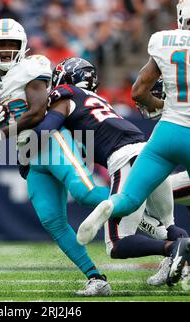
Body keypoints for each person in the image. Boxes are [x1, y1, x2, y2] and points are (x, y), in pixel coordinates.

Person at [0, 18, 111, 296]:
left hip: (51, 141)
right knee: (52, 220)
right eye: (1, 45)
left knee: (86, 192)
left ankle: (152, 222)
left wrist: (0, 134)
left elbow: (36, 112)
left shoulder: (32, 67)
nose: (7, 51)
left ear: (23, 47)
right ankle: (95, 277)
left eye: (12, 45)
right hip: (28, 153)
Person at [25, 57, 188, 287]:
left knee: (117, 244)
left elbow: (48, 126)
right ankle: (180, 256)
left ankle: (172, 250)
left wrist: (22, 139)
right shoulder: (99, 100)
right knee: (167, 225)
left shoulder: (65, 95)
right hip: (151, 156)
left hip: (125, 158)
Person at [76, 0, 190, 287]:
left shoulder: (163, 40)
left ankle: (108, 207)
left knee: (129, 199)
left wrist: (163, 106)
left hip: (165, 132)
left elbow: (139, 92)